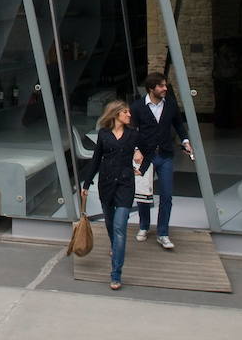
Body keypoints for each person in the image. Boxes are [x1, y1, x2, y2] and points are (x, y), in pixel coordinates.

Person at [78, 100, 147, 290]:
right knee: (110, 222)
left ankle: (116, 274)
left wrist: (141, 161)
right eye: (126, 112)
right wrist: (87, 182)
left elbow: (149, 149)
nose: (129, 115)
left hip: (125, 185)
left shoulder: (133, 135)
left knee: (119, 227)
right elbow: (96, 159)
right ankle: (114, 246)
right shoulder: (104, 134)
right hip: (106, 184)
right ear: (116, 114)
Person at [131, 72, 193, 250]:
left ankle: (163, 233)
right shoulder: (137, 107)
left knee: (166, 195)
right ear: (152, 89)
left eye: (165, 85)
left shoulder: (171, 105)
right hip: (144, 156)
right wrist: (135, 150)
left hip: (165, 155)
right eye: (161, 86)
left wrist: (186, 142)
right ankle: (143, 226)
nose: (165, 88)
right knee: (143, 195)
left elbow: (179, 126)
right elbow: (132, 131)